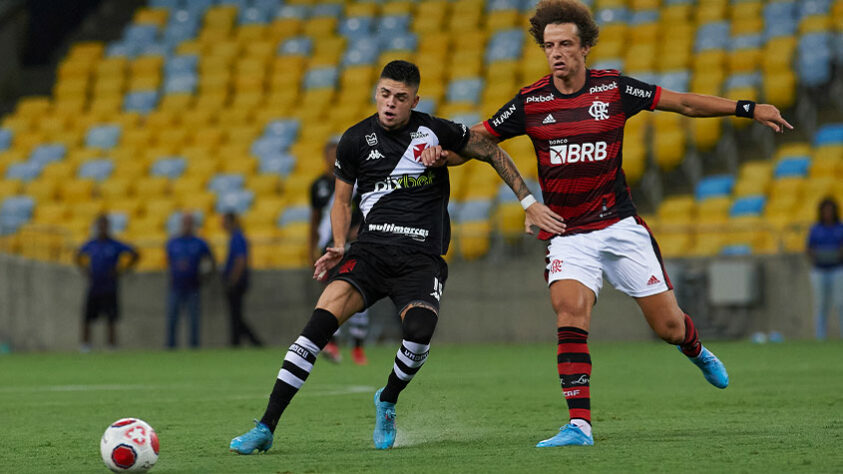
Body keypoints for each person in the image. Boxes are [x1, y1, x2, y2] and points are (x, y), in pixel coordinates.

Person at [422, 0, 793, 447]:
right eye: (549, 45)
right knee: (569, 313)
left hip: (620, 227)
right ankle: (579, 424)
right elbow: (478, 141)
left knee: (669, 328)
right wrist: (444, 155)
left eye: (565, 45)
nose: (556, 53)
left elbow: (683, 105)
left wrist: (748, 108)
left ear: (586, 48)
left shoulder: (614, 90)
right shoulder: (531, 101)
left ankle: (695, 349)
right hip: (567, 233)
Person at [229, 60, 563, 454]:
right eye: (385, 94)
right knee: (315, 329)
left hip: (421, 259)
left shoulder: (436, 132)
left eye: (400, 98)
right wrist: (338, 243)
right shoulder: (354, 140)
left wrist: (527, 201)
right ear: (376, 93)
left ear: (414, 100)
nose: (390, 104)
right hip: (369, 254)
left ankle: (387, 398)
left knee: (419, 334)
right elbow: (341, 200)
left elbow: (488, 148)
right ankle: (266, 426)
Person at [310, 136, 369, 365]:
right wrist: (311, 250)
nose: (333, 158)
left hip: (354, 245)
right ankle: (332, 344)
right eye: (330, 154)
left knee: (359, 292)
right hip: (329, 245)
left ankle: (357, 347)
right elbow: (314, 220)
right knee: (334, 293)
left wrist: (359, 230)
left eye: (337, 153)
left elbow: (367, 208)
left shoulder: (356, 183)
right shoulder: (318, 186)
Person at [75, 214, 139, 352]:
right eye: (100, 225)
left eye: (105, 225)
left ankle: (111, 346)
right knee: (87, 317)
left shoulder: (114, 244)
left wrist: (122, 270)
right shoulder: (92, 244)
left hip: (110, 287)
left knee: (111, 318)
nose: (102, 228)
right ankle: (85, 346)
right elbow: (78, 255)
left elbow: (134, 254)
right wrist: (84, 270)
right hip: (94, 286)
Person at [165, 212, 215, 349]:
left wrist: (205, 276)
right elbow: (169, 261)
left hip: (193, 287)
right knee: (172, 319)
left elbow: (210, 261)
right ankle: (171, 347)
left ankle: (194, 348)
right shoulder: (172, 242)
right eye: (185, 223)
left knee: (194, 320)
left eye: (189, 223)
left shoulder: (199, 242)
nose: (187, 226)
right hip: (176, 287)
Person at [222, 212, 262, 347]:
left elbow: (241, 260)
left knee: (236, 315)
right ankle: (240, 341)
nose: (222, 224)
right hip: (238, 281)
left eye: (224, 221)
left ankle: (252, 342)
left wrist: (233, 280)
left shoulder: (237, 238)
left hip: (237, 282)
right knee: (236, 315)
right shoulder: (236, 237)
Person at [806, 197, 843, 340]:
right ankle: (820, 338)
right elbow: (808, 248)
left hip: (837, 269)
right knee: (820, 305)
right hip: (819, 269)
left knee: (840, 304)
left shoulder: (840, 228)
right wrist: (814, 254)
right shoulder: (815, 229)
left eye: (830, 210)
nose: (828, 213)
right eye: (825, 210)